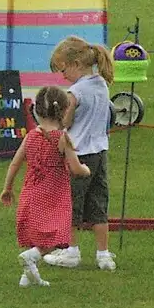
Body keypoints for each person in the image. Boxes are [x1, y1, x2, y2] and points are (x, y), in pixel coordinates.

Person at [0, 86, 92, 288]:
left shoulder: (31, 136)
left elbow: (15, 163)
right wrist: (86, 170)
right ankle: (32, 256)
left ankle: (28, 277)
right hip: (54, 194)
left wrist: (8, 188)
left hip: (31, 192)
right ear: (64, 110)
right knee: (56, 236)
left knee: (37, 233)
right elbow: (75, 168)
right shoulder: (62, 138)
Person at [43, 35, 119, 272]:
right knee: (98, 203)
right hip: (99, 152)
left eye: (63, 69)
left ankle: (71, 251)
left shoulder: (74, 92)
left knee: (68, 203)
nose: (62, 76)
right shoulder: (101, 85)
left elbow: (65, 122)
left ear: (76, 64)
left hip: (77, 154)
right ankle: (103, 254)